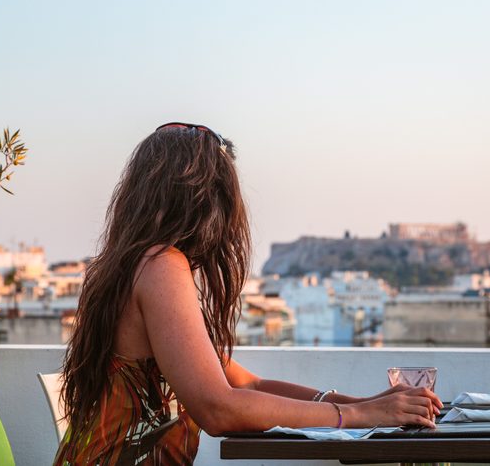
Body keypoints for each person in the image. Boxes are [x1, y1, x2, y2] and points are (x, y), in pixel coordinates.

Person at [54, 123, 442, 465]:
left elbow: (248, 385)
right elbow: (218, 409)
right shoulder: (159, 266)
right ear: (203, 197)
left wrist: (366, 405)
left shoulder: (128, 265)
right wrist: (358, 418)